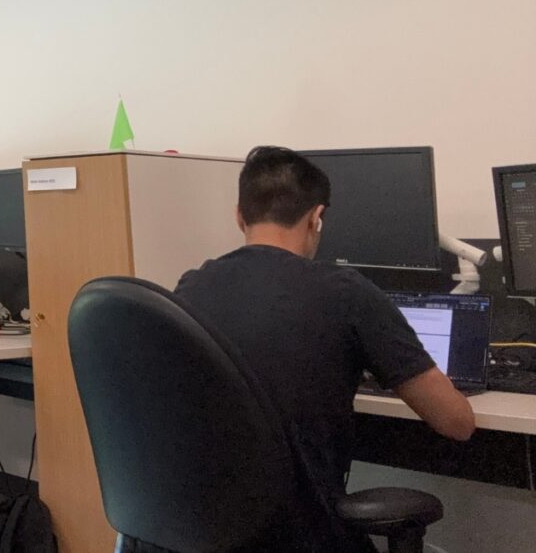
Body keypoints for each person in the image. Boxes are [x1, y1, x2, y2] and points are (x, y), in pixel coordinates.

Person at [173, 146, 475, 552]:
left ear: (239, 216)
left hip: (207, 534)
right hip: (308, 536)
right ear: (317, 218)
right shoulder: (345, 291)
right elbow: (456, 422)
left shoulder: (191, 286)